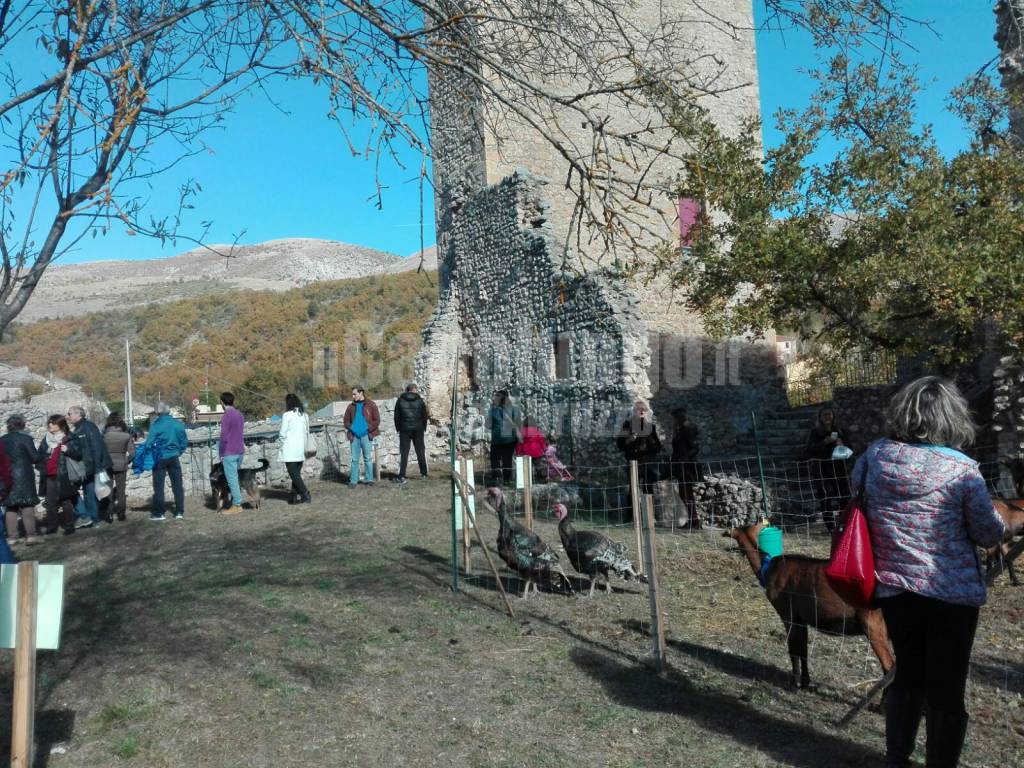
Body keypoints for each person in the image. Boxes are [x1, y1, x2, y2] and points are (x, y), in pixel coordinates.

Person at [851, 377, 1005, 768]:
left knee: (907, 678)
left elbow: (858, 502)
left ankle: (896, 759)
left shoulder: (873, 458)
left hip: (896, 589)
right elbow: (988, 534)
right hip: (950, 596)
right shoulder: (962, 470)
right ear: (952, 417)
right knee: (947, 689)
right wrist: (1006, 525)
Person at [66, 405, 113, 528]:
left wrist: (97, 467)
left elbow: (96, 447)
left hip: (92, 467)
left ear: (78, 415)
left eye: (70, 414)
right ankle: (91, 517)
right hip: (88, 466)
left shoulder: (88, 427)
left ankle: (94, 519)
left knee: (91, 494)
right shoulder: (79, 428)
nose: (68, 416)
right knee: (88, 494)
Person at [805, 406, 851, 531]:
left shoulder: (840, 431)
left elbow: (850, 449)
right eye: (824, 414)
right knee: (825, 499)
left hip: (838, 469)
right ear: (820, 418)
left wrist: (843, 444)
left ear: (833, 416)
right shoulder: (815, 433)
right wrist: (824, 442)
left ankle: (844, 524)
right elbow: (809, 450)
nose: (827, 417)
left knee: (843, 497)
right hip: (821, 469)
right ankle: (830, 526)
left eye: (829, 414)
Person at [142, 402, 189, 520]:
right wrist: (179, 451)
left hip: (160, 457)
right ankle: (179, 511)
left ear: (158, 412)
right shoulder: (178, 424)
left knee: (159, 486)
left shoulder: (156, 425)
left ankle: (159, 513)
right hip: (174, 456)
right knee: (177, 485)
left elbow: (149, 443)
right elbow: (184, 441)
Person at [1, 415, 41, 545]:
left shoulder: (2, 440)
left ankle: (12, 537)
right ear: (22, 425)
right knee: (27, 504)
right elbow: (35, 457)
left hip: (7, 476)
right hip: (24, 475)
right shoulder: (26, 439)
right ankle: (31, 536)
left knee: (10, 506)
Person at [37, 415, 77, 535]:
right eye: (49, 423)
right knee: (50, 502)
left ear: (61, 425)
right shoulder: (47, 439)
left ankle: (69, 526)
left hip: (64, 474)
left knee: (66, 501)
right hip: (49, 475)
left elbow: (79, 453)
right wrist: (41, 466)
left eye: (53, 423)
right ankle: (52, 526)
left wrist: (68, 450)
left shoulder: (69, 437)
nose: (50, 425)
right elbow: (40, 454)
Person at [616, 400, 662, 494]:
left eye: (644, 409)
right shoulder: (627, 426)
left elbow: (658, 447)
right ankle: (633, 509)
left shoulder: (650, 427)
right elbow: (620, 444)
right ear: (634, 411)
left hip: (648, 462)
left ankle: (648, 508)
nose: (642, 411)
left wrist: (652, 443)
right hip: (634, 461)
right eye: (639, 409)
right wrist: (628, 440)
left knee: (648, 489)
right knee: (633, 490)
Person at [671, 407, 704, 529]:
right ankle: (692, 519)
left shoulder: (688, 429)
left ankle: (694, 520)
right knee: (684, 494)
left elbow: (694, 448)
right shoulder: (679, 430)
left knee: (686, 493)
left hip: (686, 466)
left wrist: (684, 459)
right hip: (680, 466)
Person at [278, 393, 312, 503]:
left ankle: (305, 493)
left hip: (290, 450)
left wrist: (283, 443)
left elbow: (282, 433)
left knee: (294, 476)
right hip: (301, 450)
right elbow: (307, 432)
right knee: (295, 475)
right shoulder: (305, 415)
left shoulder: (287, 415)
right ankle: (293, 496)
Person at [343, 387, 380, 487]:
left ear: (361, 393)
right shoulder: (350, 407)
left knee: (367, 458)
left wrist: (368, 428)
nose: (353, 396)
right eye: (352, 394)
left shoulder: (371, 404)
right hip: (354, 436)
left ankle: (369, 480)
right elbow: (346, 421)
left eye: (355, 394)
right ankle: (353, 481)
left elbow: (377, 420)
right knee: (354, 459)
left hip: (367, 435)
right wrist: (352, 428)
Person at [393, 383, 429, 484]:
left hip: (404, 429)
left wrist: (398, 428)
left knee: (404, 453)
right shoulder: (419, 400)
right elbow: (424, 415)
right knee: (420, 451)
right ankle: (424, 473)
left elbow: (396, 416)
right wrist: (424, 427)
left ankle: (402, 475)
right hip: (418, 429)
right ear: (413, 389)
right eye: (416, 389)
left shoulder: (400, 400)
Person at [102, 412, 135, 521]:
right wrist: (126, 460)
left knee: (108, 490)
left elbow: (100, 453)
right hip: (122, 464)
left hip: (107, 465)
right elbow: (132, 453)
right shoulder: (126, 436)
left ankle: (109, 513)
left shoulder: (104, 436)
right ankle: (121, 514)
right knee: (121, 490)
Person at [485, 390, 521, 486]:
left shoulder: (493, 410)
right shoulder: (514, 409)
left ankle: (496, 479)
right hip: (510, 439)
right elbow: (518, 423)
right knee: (507, 459)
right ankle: (506, 480)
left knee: (495, 459)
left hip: (497, 439)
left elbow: (487, 425)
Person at [218, 392, 245, 513]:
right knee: (235, 478)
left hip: (229, 452)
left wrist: (221, 454)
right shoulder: (239, 415)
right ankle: (236, 502)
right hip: (240, 451)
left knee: (232, 479)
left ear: (222, 402)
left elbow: (223, 437)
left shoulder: (226, 416)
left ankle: (237, 505)